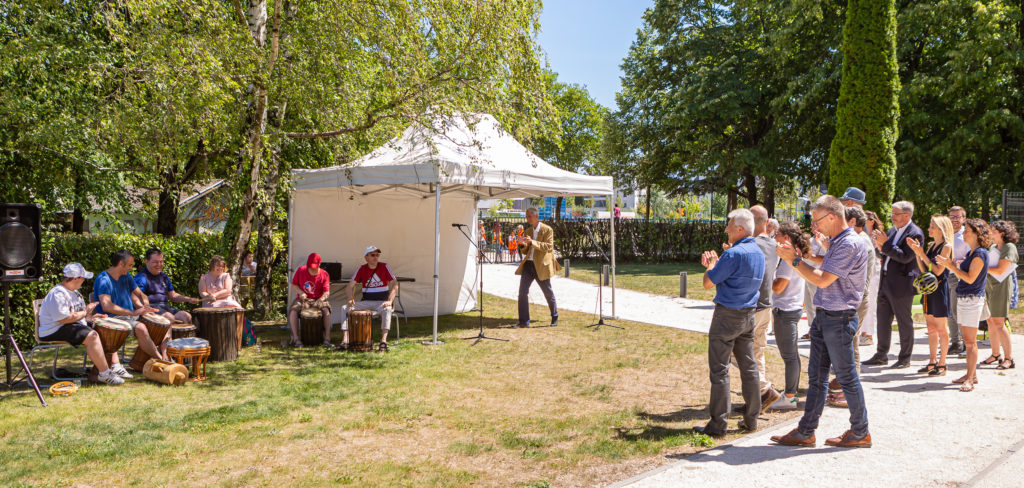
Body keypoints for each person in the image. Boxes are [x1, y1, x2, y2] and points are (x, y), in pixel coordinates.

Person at [772, 195, 871, 448]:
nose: (814, 226)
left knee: (846, 377)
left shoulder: (848, 243)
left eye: (817, 221)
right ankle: (806, 432)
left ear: (832, 217)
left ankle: (860, 432)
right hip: (826, 315)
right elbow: (828, 269)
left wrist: (793, 261)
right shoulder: (838, 242)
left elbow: (823, 279)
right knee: (817, 377)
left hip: (838, 318)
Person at [694, 208, 764, 437]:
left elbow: (707, 282)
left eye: (730, 225)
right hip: (748, 315)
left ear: (741, 229)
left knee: (720, 370)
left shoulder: (734, 254)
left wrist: (711, 265)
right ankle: (752, 419)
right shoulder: (757, 251)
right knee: (749, 366)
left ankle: (717, 425)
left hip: (727, 315)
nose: (726, 229)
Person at [38, 263, 122, 385]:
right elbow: (64, 319)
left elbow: (79, 316)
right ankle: (105, 374)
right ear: (76, 278)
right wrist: (85, 312)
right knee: (92, 336)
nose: (84, 280)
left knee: (103, 329)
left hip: (67, 325)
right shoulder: (58, 294)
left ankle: (101, 371)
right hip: (53, 329)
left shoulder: (75, 293)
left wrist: (91, 318)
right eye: (83, 278)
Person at [863, 201, 924, 368]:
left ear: (907, 215)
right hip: (885, 280)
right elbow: (884, 253)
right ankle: (881, 354)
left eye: (895, 214)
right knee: (882, 320)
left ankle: (905, 358)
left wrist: (886, 244)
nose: (892, 217)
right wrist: (879, 245)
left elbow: (905, 257)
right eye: (892, 214)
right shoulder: (891, 231)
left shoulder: (915, 233)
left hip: (902, 283)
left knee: (904, 321)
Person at [936, 219, 991, 391]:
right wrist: (952, 265)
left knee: (969, 342)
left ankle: (970, 378)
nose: (964, 233)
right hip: (965, 298)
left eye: (967, 231)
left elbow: (969, 278)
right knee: (968, 341)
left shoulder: (980, 253)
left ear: (977, 234)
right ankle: (970, 375)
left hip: (972, 300)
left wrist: (950, 266)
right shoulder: (972, 253)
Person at [95, 249, 161, 375]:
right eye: (130, 265)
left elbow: (141, 294)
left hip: (128, 317)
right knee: (141, 327)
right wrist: (133, 313)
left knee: (161, 324)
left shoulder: (126, 276)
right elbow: (107, 306)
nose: (131, 268)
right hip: (111, 318)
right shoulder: (103, 279)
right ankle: (160, 359)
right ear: (121, 264)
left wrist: (146, 307)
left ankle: (140, 362)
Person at [907, 215, 954, 376]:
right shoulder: (933, 245)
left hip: (939, 289)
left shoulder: (946, 247)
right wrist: (917, 253)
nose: (929, 229)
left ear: (941, 229)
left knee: (941, 328)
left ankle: (943, 363)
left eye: (932, 226)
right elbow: (924, 268)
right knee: (931, 328)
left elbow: (937, 270)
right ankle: (932, 361)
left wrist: (922, 253)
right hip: (929, 290)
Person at [769, 221, 809, 410]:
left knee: (790, 356)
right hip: (789, 308)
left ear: (786, 237)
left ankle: (790, 396)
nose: (774, 238)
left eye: (777, 234)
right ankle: (790, 394)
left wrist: (763, 277)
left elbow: (779, 287)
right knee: (791, 355)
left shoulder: (788, 259)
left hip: (785, 310)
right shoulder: (795, 254)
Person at [749, 205, 781, 411]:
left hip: (751, 306)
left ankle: (764, 390)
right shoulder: (774, 245)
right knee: (757, 352)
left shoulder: (751, 245)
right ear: (768, 223)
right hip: (766, 305)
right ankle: (757, 399)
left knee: (739, 353)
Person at [340, 245, 398, 351]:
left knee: (387, 309)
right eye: (373, 255)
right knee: (345, 308)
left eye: (377, 255)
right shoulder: (361, 269)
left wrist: (390, 301)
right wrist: (349, 298)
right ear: (366, 257)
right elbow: (349, 287)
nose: (376, 257)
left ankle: (383, 342)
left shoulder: (384, 266)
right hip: (366, 302)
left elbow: (395, 284)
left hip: (381, 302)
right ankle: (345, 340)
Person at [981, 220, 1017, 370]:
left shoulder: (1009, 247)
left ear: (1002, 233)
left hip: (1001, 287)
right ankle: (996, 355)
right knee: (990, 321)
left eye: (994, 230)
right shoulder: (994, 247)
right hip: (989, 286)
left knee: (999, 323)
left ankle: (1009, 358)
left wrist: (982, 268)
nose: (991, 232)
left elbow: (1001, 270)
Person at [515, 207, 561, 328]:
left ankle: (555, 316)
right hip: (528, 266)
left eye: (529, 216)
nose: (527, 218)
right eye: (526, 216)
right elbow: (526, 251)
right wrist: (522, 245)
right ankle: (523, 322)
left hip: (541, 266)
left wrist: (532, 242)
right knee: (522, 293)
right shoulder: (528, 231)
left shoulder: (547, 230)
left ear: (537, 217)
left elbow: (549, 247)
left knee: (547, 292)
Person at [134, 248, 200, 325]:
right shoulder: (141, 278)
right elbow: (135, 298)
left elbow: (173, 296)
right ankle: (168, 337)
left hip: (165, 307)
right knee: (169, 317)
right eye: (155, 262)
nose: (159, 265)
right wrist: (146, 309)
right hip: (152, 309)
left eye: (161, 261)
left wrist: (189, 299)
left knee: (185, 316)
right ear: (146, 261)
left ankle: (181, 337)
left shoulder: (164, 276)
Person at [288, 252, 332, 347]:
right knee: (293, 311)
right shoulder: (301, 270)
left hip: (318, 299)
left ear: (319, 264)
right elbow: (294, 285)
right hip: (303, 299)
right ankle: (296, 338)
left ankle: (327, 338)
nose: (312, 268)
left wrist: (322, 299)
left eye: (314, 266)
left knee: (326, 310)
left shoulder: (324, 274)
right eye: (310, 266)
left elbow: (326, 292)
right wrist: (301, 293)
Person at [946, 206, 969, 356]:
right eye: (952, 217)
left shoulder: (966, 236)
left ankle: (966, 343)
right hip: (946, 275)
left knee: (957, 311)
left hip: (960, 276)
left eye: (957, 217)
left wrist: (959, 262)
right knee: (949, 311)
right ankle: (955, 342)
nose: (954, 220)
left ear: (964, 219)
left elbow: (971, 257)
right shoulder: (946, 234)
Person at [860, 211, 885, 346]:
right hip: (862, 270)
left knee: (870, 302)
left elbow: (881, 254)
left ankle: (869, 334)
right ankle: (862, 332)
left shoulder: (877, 236)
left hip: (874, 270)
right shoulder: (860, 235)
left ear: (871, 220)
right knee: (862, 302)